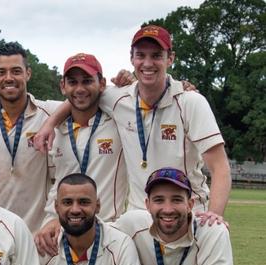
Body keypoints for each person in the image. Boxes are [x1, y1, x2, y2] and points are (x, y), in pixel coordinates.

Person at [33, 25, 230, 226]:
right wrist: (50, 124)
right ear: (131, 58)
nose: (147, 63)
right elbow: (81, 95)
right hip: (140, 219)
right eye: (140, 55)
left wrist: (214, 214)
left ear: (170, 58)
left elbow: (220, 166)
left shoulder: (191, 102)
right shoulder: (119, 98)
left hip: (188, 213)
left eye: (156, 56)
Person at [35, 53, 127, 253]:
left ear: (102, 84)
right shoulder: (57, 130)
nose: (80, 89)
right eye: (73, 82)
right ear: (63, 86)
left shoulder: (117, 121)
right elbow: (58, 182)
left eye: (87, 81)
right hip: (66, 230)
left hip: (110, 231)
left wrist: (131, 79)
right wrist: (52, 218)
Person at [0, 42, 61, 232]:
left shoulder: (47, 114)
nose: (9, 78)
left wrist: (125, 84)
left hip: (36, 233)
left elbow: (81, 99)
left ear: (28, 73)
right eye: (2, 72)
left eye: (16, 71)